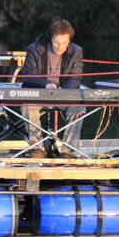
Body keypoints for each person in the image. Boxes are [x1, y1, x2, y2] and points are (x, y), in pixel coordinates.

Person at [19, 19, 84, 157]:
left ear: (69, 40)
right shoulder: (34, 49)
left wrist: (63, 91)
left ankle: (68, 151)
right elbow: (27, 75)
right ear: (50, 38)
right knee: (28, 104)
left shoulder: (76, 51)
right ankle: (37, 149)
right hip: (39, 92)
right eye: (56, 42)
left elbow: (75, 77)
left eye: (64, 43)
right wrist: (46, 85)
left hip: (63, 93)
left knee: (78, 106)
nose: (60, 47)